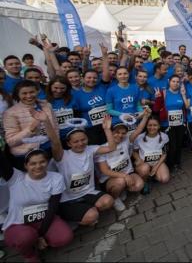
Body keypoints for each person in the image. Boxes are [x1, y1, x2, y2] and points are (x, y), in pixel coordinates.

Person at [1, 122, 73, 262]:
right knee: (25, 237)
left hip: (43, 220)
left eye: (42, 162)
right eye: (33, 163)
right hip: (18, 225)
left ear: (47, 162)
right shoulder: (15, 178)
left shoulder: (56, 178)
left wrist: (40, 234)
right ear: (25, 166)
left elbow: (52, 208)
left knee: (65, 238)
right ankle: (30, 254)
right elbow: (1, 160)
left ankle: (40, 239)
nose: (38, 166)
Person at [51, 115, 115, 226]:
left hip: (88, 192)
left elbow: (111, 148)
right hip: (69, 199)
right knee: (92, 217)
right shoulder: (62, 156)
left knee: (108, 201)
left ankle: (87, 212)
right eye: (76, 142)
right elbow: (55, 143)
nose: (80, 143)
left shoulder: (90, 149)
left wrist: (107, 129)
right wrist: (47, 123)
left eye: (83, 140)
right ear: (68, 143)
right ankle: (76, 219)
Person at [95, 110, 149, 212]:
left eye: (123, 133)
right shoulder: (102, 148)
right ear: (111, 132)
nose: (120, 135)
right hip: (111, 179)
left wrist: (145, 116)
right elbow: (104, 171)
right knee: (120, 182)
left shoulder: (126, 141)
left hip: (127, 172)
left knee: (139, 185)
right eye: (116, 132)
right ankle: (115, 198)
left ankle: (123, 189)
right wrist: (124, 176)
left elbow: (138, 130)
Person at [3, 80, 58, 170]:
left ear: (37, 91)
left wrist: (56, 145)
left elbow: (55, 128)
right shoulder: (10, 113)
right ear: (18, 94)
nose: (28, 96)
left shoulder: (46, 105)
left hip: (49, 150)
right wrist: (30, 130)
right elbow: (11, 141)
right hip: (26, 155)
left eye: (32, 92)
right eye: (24, 93)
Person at [152, 76, 189, 172]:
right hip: (167, 124)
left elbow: (185, 108)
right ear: (169, 81)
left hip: (180, 124)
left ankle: (177, 163)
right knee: (171, 145)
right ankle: (169, 164)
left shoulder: (181, 93)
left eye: (177, 81)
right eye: (173, 81)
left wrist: (184, 122)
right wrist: (158, 98)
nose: (176, 83)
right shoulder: (163, 93)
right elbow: (155, 109)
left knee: (179, 144)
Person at [132, 115, 170, 195]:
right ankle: (145, 182)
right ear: (146, 126)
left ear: (159, 126)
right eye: (150, 125)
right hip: (144, 163)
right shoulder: (139, 137)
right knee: (144, 169)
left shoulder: (164, 136)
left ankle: (151, 176)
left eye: (155, 125)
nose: (152, 127)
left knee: (164, 179)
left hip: (158, 161)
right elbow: (134, 151)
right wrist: (139, 160)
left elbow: (165, 153)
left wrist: (156, 167)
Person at [74, 70, 109, 145]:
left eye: (94, 78)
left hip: (107, 124)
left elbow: (106, 74)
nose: (92, 80)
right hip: (90, 128)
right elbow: (77, 113)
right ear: (82, 79)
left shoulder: (102, 87)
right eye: (89, 77)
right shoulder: (76, 95)